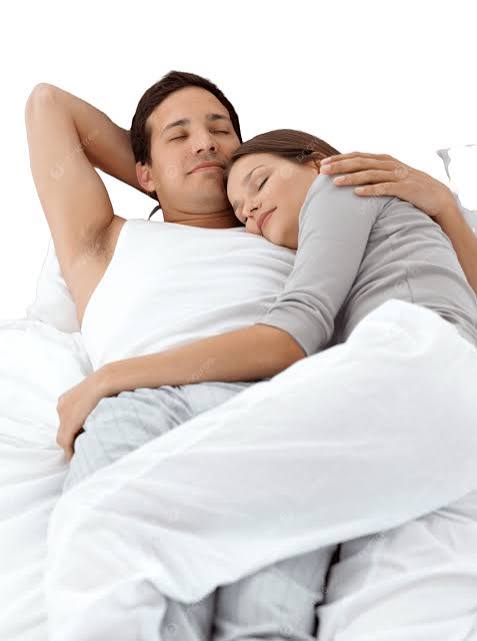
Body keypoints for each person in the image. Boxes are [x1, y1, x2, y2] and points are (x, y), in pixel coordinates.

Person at [28, 71, 477, 641]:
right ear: (142, 172)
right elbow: (48, 105)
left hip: (282, 406)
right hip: (144, 404)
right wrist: (164, 177)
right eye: (179, 134)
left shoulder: (290, 227)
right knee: (116, 576)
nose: (205, 143)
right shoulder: (107, 242)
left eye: (221, 131)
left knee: (266, 616)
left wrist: (444, 206)